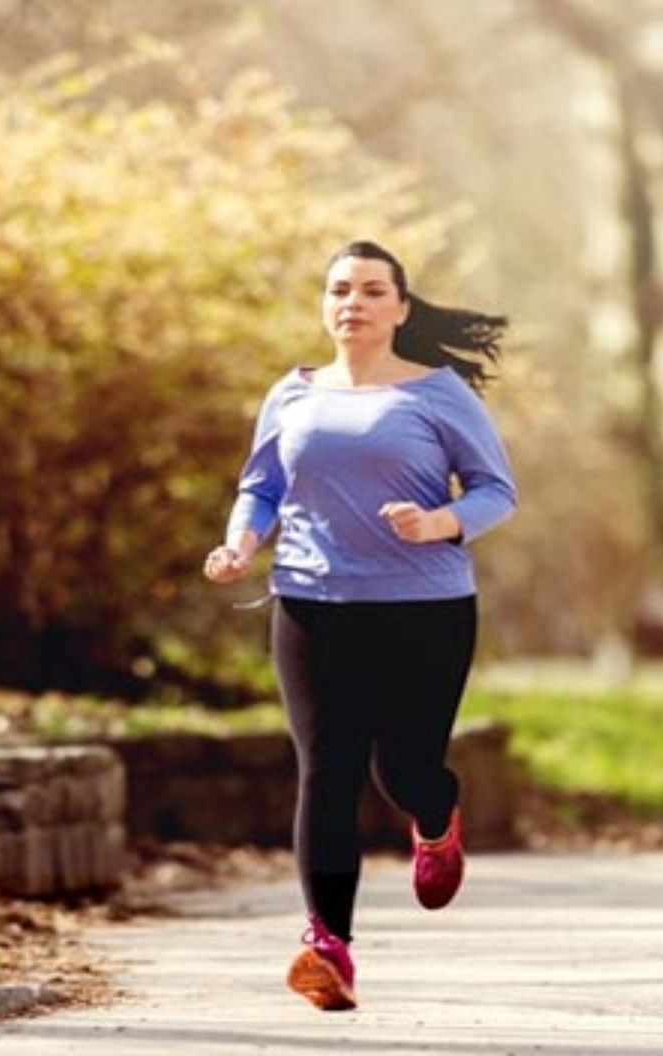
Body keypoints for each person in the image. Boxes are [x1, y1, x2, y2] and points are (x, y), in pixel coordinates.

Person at [202, 239, 518, 1012]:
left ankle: (436, 817)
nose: (354, 302)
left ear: (401, 309)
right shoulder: (293, 393)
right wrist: (242, 540)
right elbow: (262, 486)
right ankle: (328, 947)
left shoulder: (438, 395)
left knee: (402, 770)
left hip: (425, 609)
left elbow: (495, 491)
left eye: (374, 291)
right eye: (340, 289)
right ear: (324, 304)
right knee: (325, 770)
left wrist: (440, 520)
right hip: (312, 601)